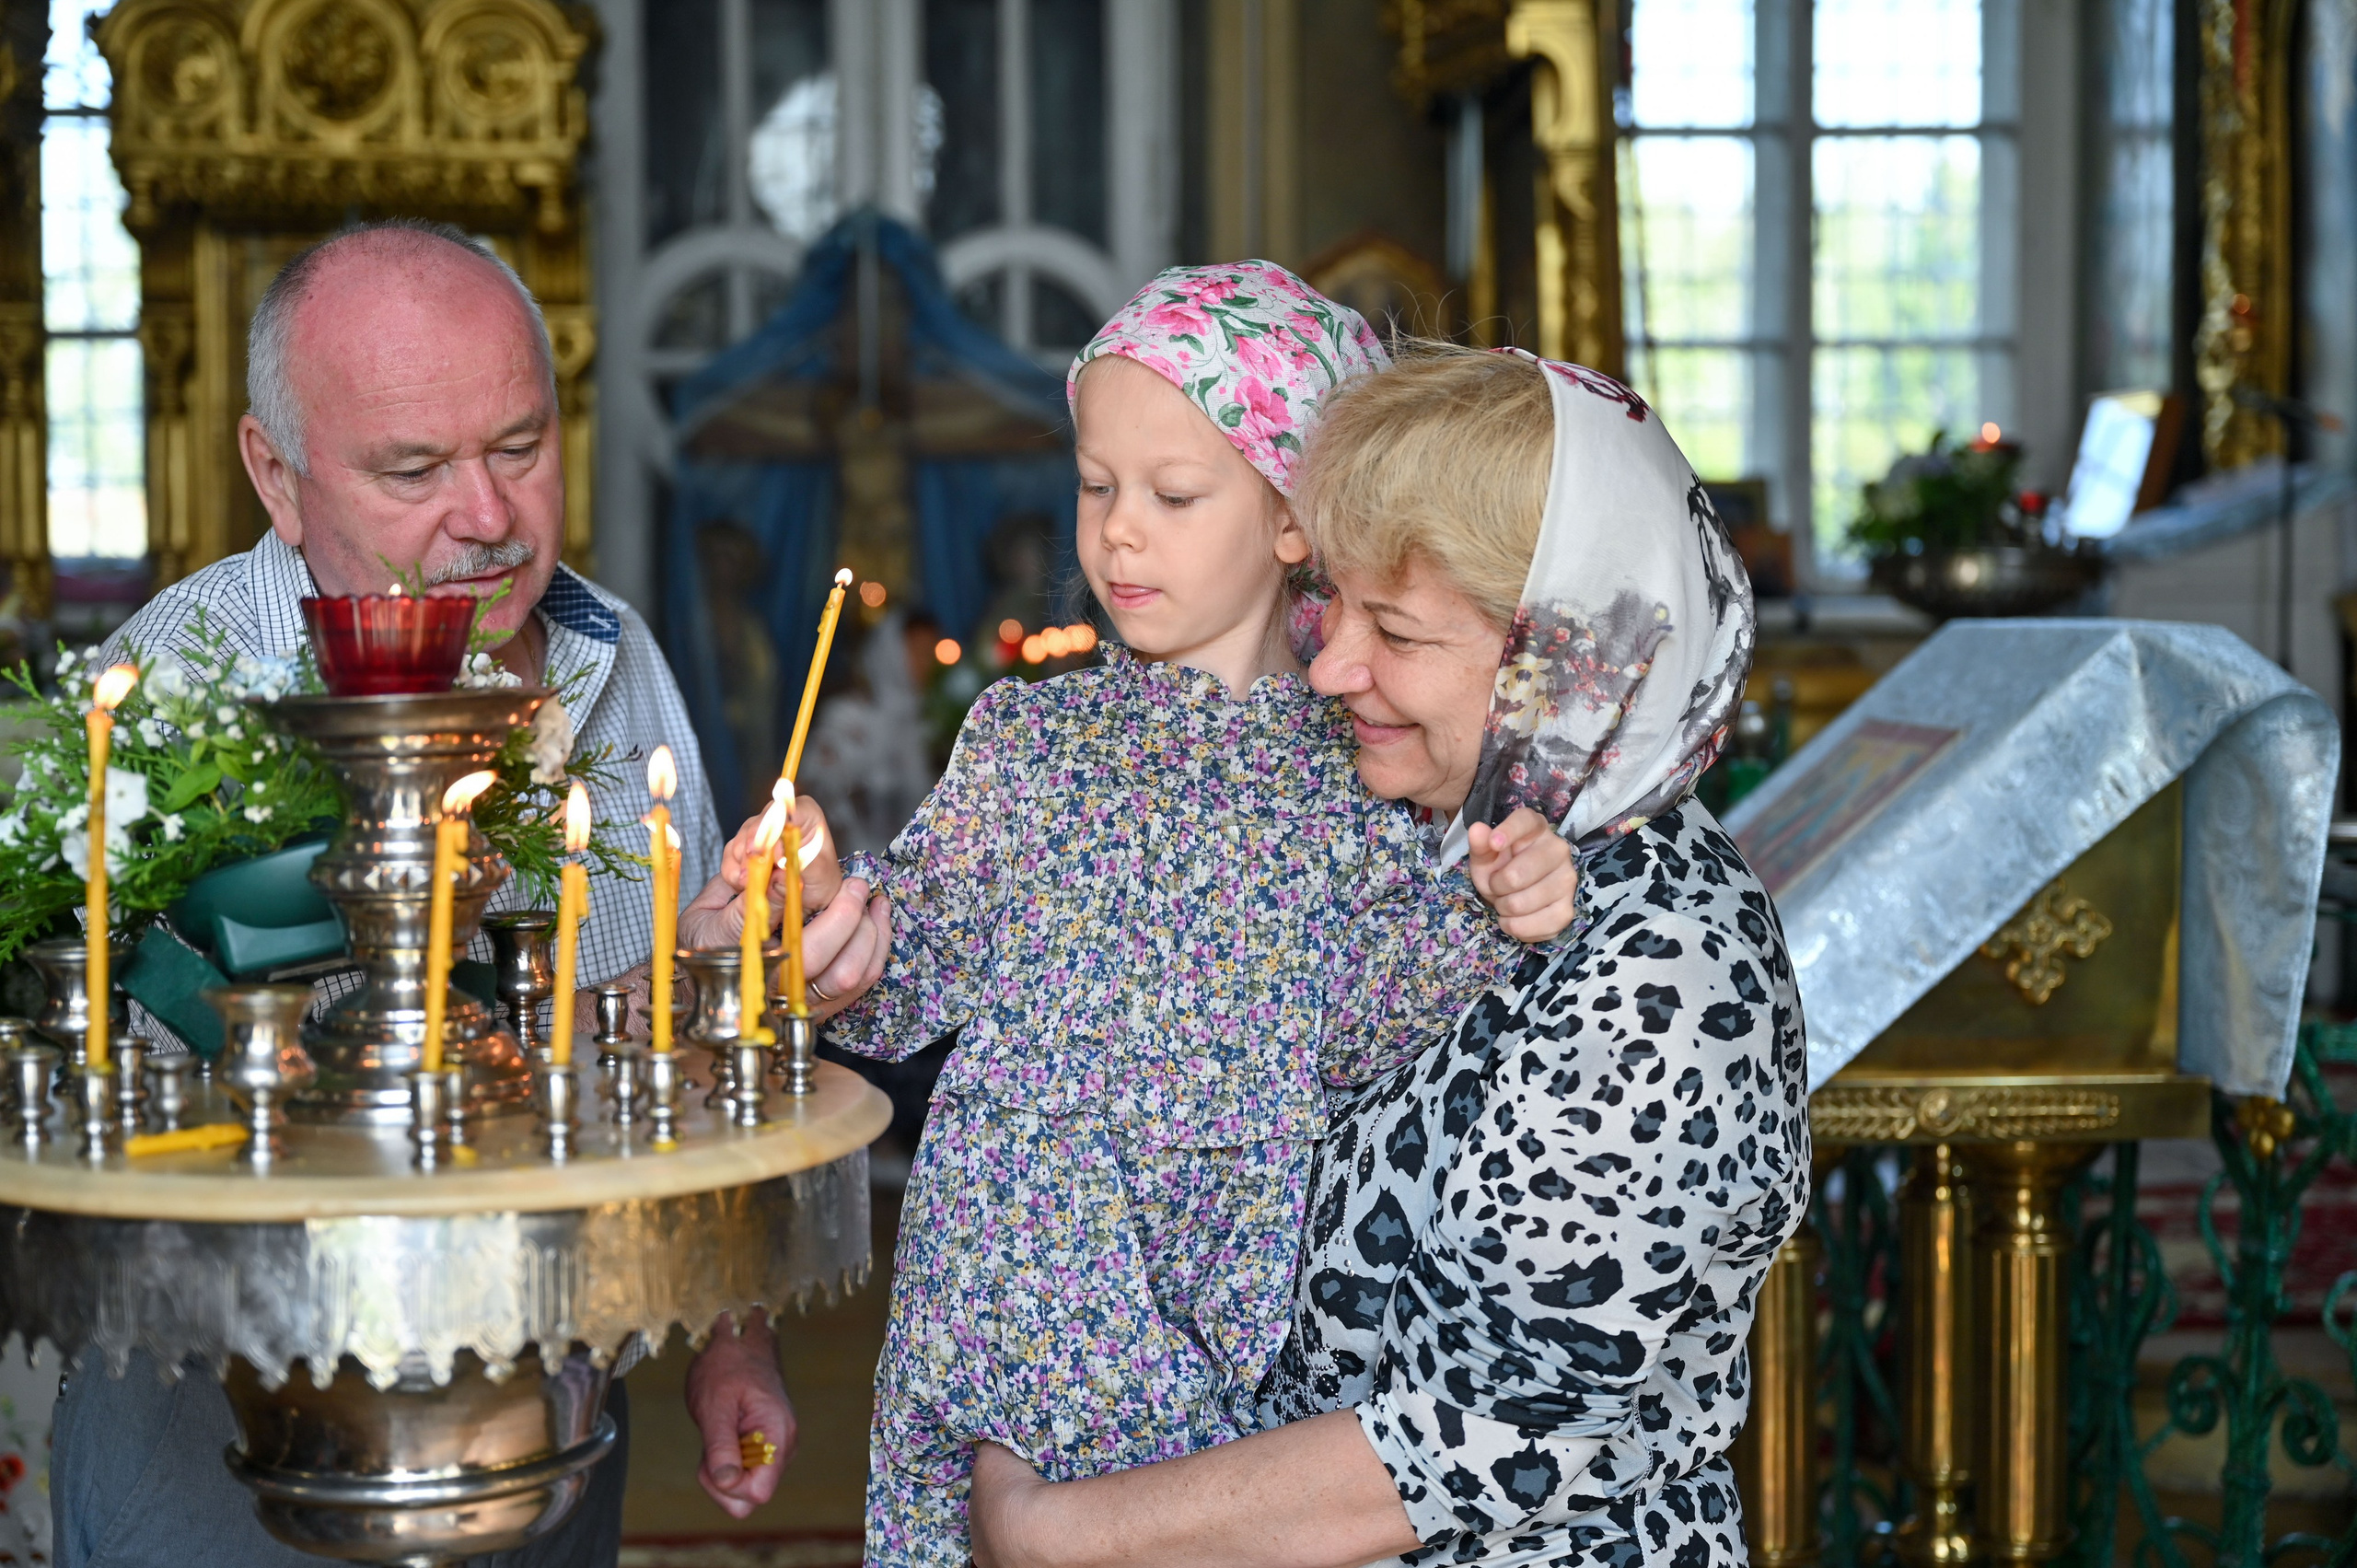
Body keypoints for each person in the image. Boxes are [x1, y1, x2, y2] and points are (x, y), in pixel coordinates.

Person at [53, 219, 889, 1568]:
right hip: (241, 1447)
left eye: (520, 446)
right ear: (276, 475)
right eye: (412, 470)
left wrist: (732, 1330)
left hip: (552, 1424)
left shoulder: (611, 656)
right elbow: (122, 1133)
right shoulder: (177, 693)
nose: (491, 519)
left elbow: (667, 1060)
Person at [784, 265, 1581, 1568]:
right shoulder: (1031, 738)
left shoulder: (1356, 765)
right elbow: (913, 957)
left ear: (1290, 518)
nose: (1118, 535)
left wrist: (1496, 911)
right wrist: (827, 925)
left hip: (1212, 1288)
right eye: (1096, 487)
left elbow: (1359, 1023)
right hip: (1003, 1267)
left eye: (1172, 495)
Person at [962, 344, 1808, 1568]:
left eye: (1396, 630)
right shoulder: (1440, 826)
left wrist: (1055, 1534)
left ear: (1569, 658)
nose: (1330, 665)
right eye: (1336, 605)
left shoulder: (1662, 968)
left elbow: (1484, 1436)